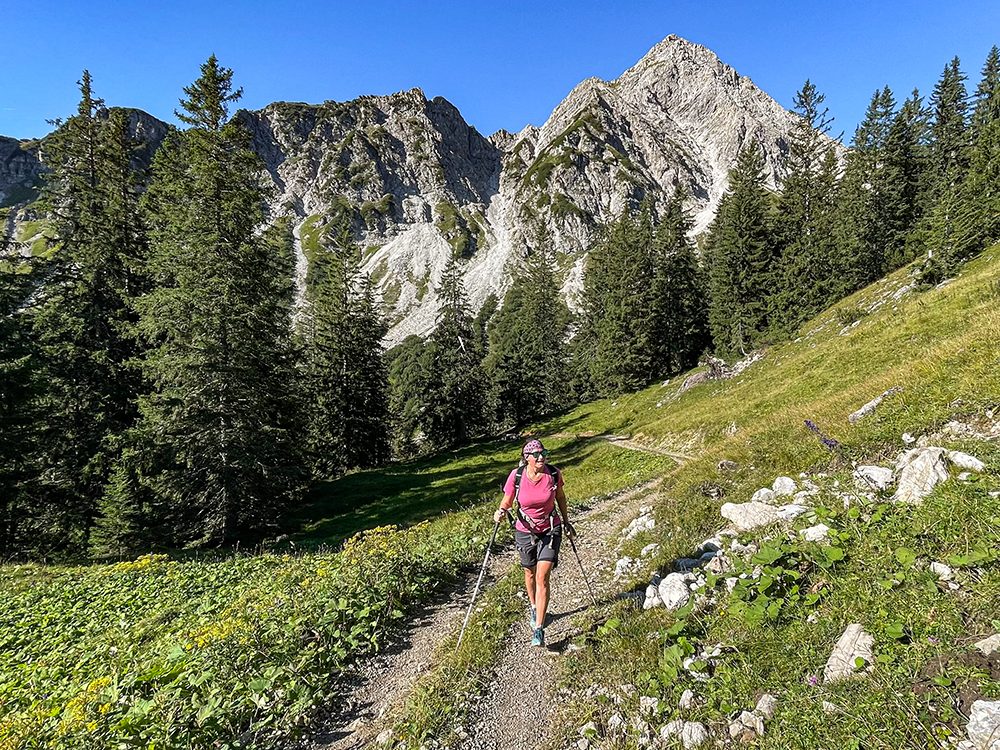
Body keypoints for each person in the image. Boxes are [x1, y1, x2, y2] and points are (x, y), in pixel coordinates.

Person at [494, 439, 575, 647]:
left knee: (542, 576)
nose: (541, 457)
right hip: (524, 530)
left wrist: (566, 522)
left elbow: (561, 497)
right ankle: (533, 606)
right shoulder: (517, 475)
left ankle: (538, 628)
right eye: (536, 454)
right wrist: (502, 511)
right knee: (529, 572)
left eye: (544, 453)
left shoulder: (554, 473)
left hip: (550, 528)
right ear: (526, 458)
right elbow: (508, 499)